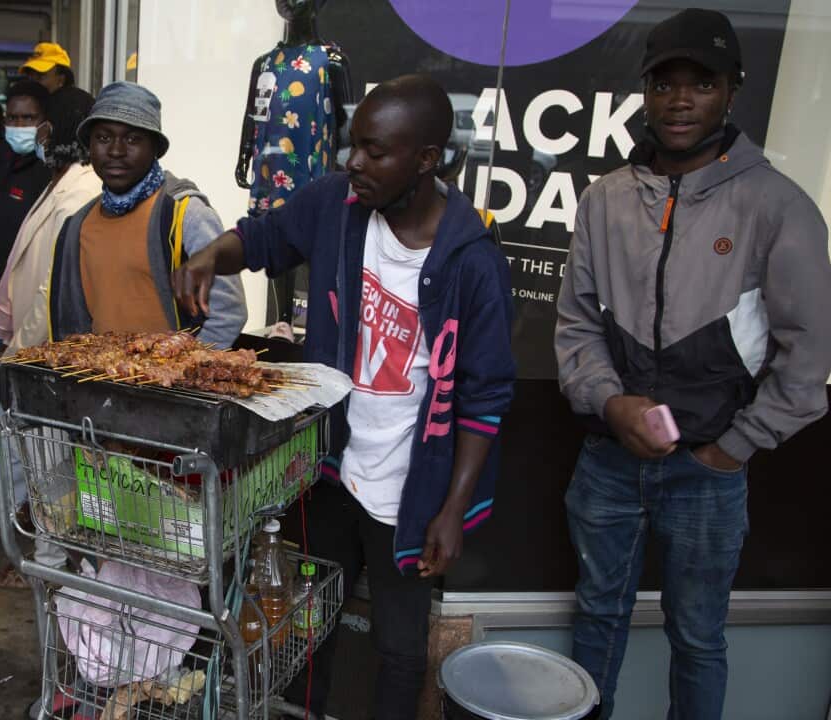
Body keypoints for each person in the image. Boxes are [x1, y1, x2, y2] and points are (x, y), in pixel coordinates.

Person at [173, 75, 515, 720]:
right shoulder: (337, 203)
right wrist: (207, 256)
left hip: (413, 487)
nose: (354, 163)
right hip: (328, 465)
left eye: (375, 152)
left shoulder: (472, 262)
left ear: (426, 158)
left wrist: (453, 508)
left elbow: (486, 394)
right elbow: (264, 237)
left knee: (399, 644)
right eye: (353, 146)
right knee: (309, 623)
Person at [554, 9, 831, 719]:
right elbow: (578, 324)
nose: (680, 100)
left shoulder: (779, 206)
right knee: (597, 622)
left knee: (699, 640)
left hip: (705, 475)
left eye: (700, 83)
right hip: (608, 464)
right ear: (645, 92)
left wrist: (732, 449)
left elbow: (810, 361)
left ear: (731, 90)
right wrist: (609, 402)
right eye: (664, 82)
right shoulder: (605, 199)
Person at [49, 81, 247, 349]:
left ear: (155, 149)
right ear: (90, 146)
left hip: (171, 386)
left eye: (133, 139)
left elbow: (229, 313)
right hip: (99, 384)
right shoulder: (77, 225)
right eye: (104, 138)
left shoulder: (185, 215)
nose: (116, 151)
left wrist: (184, 373)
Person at [0, 86, 100, 353]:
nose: (36, 133)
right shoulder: (57, 181)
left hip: (38, 344)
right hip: (30, 338)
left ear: (51, 130)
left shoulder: (81, 192)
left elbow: (52, 289)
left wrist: (18, 351)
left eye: (39, 124)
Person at [0, 80, 53, 357]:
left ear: (45, 122)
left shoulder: (50, 171)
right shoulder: (3, 159)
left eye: (28, 118)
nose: (19, 124)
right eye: (13, 117)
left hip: (29, 304)